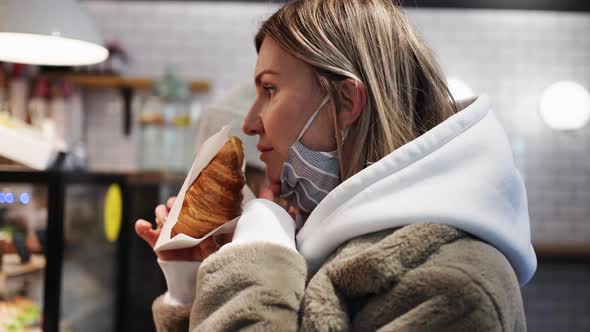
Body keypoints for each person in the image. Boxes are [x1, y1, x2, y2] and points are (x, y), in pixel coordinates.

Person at [135, 0, 536, 330]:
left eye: (270, 90)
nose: (250, 122)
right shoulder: (323, 240)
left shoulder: (454, 285)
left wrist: (256, 255)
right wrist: (191, 289)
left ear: (346, 102)